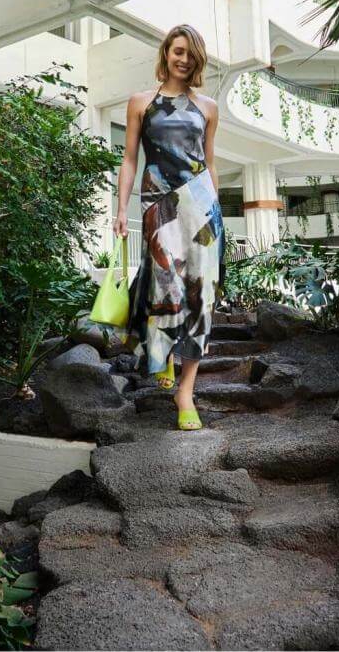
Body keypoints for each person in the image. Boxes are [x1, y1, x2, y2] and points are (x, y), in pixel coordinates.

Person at [113, 24, 226, 430]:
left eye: (190, 54)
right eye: (178, 51)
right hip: (159, 203)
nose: (183, 59)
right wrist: (120, 208)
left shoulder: (208, 107)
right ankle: (161, 357)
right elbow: (129, 159)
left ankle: (185, 393)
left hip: (202, 206)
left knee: (202, 295)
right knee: (165, 287)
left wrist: (217, 209)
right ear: (166, 53)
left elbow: (209, 163)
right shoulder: (141, 103)